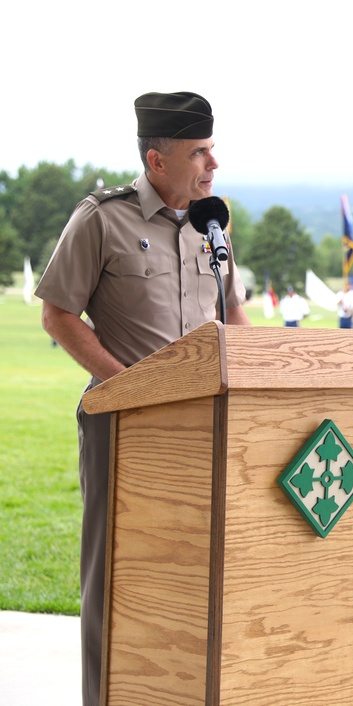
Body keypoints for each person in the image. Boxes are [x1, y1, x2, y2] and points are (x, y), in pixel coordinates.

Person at [34, 91, 251, 706]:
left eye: (213, 150)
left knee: (197, 571)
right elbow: (58, 314)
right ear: (157, 161)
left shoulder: (214, 221)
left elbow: (232, 311)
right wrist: (127, 387)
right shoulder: (102, 218)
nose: (212, 165)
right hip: (125, 427)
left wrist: (256, 377)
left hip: (205, 426)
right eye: (199, 153)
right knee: (116, 574)